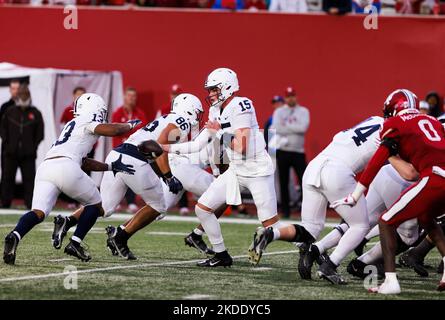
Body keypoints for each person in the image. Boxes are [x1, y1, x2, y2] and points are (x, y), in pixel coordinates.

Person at [163, 68, 291, 267]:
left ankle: (309, 245)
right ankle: (221, 255)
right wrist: (165, 148)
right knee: (203, 209)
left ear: (228, 87)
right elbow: (198, 144)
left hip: (257, 170)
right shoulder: (216, 110)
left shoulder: (241, 104)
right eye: (210, 90)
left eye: (214, 89)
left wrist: (218, 133)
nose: (210, 94)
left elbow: (242, 146)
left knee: (271, 225)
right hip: (235, 170)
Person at [53, 93, 202, 260]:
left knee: (105, 206)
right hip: (135, 160)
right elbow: (159, 146)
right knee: (158, 206)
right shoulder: (182, 122)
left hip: (118, 154)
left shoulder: (166, 118)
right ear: (191, 110)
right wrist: (168, 177)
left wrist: (164, 173)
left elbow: (155, 149)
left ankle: (68, 221)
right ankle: (120, 237)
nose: (198, 116)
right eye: (198, 112)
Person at [3, 93, 140, 264]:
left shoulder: (72, 124)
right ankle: (75, 243)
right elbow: (114, 130)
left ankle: (15, 235)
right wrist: (129, 125)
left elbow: (84, 162)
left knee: (38, 212)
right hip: (66, 167)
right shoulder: (86, 121)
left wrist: (111, 166)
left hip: (46, 168)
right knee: (96, 204)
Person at [331, 89, 445, 294]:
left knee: (386, 220)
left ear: (393, 109)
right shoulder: (433, 121)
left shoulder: (395, 124)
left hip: (435, 178)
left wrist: (356, 194)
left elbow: (376, 161)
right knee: (428, 219)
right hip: (439, 174)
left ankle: (391, 282)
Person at [250, 115, 384, 284]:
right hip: (337, 171)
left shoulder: (373, 120)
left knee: (311, 228)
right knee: (360, 225)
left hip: (315, 165)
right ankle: (330, 265)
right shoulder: (393, 129)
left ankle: (272, 233)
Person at [0, 84, 44, 209]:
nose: (23, 97)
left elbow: (40, 134)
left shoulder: (36, 113)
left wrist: (32, 147)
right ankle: (5, 202)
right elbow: (3, 130)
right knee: (7, 178)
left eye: (26, 95)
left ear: (29, 96)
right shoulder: (10, 112)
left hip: (28, 155)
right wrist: (8, 145)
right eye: (21, 95)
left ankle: (30, 203)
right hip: (10, 153)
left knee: (29, 180)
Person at [272, 86, 309, 217]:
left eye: (292, 95)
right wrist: (294, 128)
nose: (290, 98)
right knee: (283, 182)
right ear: (285, 98)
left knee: (304, 180)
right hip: (283, 150)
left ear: (296, 96)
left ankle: (306, 210)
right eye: (288, 96)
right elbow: (275, 127)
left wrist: (285, 126)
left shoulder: (303, 111)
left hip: (298, 151)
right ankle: (285, 211)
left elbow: (303, 128)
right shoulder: (279, 112)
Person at [112, 87, 148, 214]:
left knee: (131, 174)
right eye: (129, 96)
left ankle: (131, 202)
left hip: (134, 150)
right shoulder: (118, 113)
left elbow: (143, 132)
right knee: (117, 176)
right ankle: (114, 201)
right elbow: (114, 131)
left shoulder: (140, 114)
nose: (131, 98)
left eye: (134, 96)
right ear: (124, 97)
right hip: (120, 149)